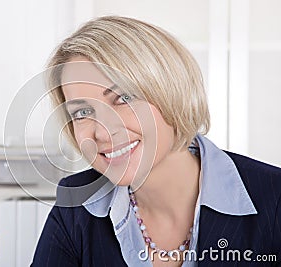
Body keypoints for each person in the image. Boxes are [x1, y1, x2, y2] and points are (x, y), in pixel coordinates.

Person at [31, 16, 281, 266]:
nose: (103, 133)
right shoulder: (76, 207)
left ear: (170, 91)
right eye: (82, 112)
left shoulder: (274, 198)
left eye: (124, 98)